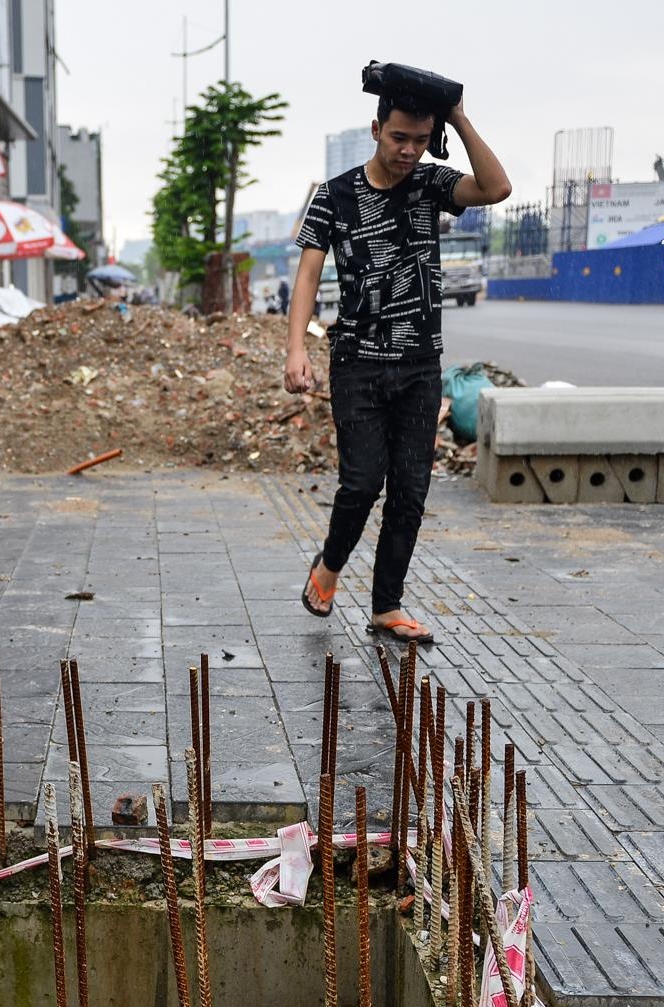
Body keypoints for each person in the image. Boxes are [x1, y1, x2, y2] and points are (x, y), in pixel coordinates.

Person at [284, 91, 510, 643]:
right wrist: (295, 349)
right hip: (356, 363)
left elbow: (497, 188)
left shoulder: (430, 184)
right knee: (361, 483)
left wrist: (457, 118)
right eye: (398, 137)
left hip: (418, 366)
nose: (409, 150)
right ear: (376, 129)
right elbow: (309, 276)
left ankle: (386, 606)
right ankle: (329, 567)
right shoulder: (333, 196)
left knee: (410, 492)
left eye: (420, 139)